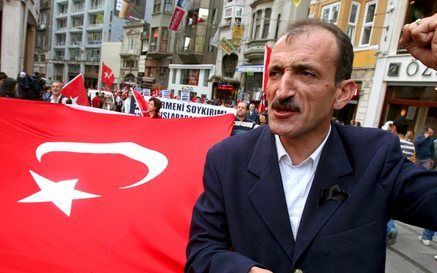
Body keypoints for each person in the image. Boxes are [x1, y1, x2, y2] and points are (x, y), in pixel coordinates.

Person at [185, 19, 437, 273]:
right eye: (276, 73)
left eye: (306, 73)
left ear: (343, 94)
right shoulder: (228, 159)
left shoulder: (375, 156)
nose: (281, 91)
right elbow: (202, 253)